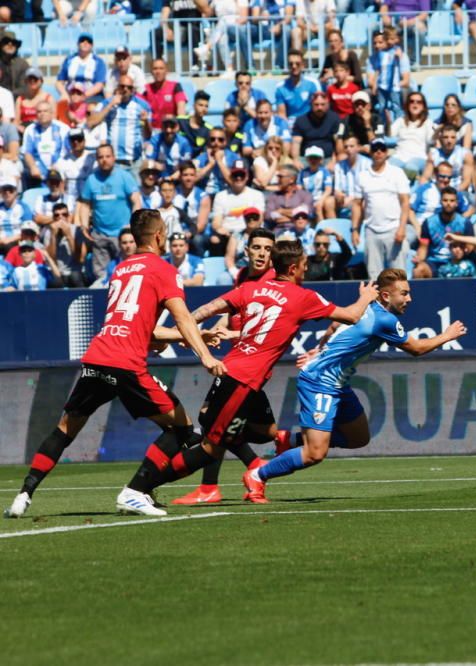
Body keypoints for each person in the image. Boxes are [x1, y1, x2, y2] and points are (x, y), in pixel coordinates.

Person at [3, 209, 226, 519]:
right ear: (159, 236)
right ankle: (135, 492)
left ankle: (23, 495)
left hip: (97, 357)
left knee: (65, 430)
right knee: (181, 427)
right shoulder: (164, 270)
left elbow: (139, 327)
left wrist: (187, 336)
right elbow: (182, 316)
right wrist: (206, 356)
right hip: (126, 364)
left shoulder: (120, 270)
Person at [126, 241, 381, 507]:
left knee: (262, 432)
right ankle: (144, 486)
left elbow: (207, 310)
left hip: (242, 378)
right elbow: (351, 316)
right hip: (241, 380)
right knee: (211, 447)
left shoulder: (249, 288)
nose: (307, 268)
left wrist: (186, 331)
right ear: (293, 268)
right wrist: (366, 296)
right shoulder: (304, 297)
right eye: (304, 265)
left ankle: (265, 448)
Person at [242, 268, 466, 501]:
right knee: (315, 453)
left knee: (358, 438)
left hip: (338, 384)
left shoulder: (363, 306)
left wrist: (320, 350)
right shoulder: (385, 319)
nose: (409, 299)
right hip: (319, 382)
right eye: (404, 293)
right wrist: (447, 335)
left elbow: (333, 326)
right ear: (387, 296)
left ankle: (289, 440)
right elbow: (417, 349)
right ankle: (258, 475)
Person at [170, 227, 287, 505]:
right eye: (256, 248)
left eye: (267, 249)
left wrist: (234, 335)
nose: (261, 254)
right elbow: (233, 313)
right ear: (246, 251)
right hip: (240, 366)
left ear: (274, 255)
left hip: (249, 369)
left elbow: (270, 329)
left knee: (212, 419)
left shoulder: (274, 282)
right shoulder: (243, 278)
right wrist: (205, 334)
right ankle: (268, 453)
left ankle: (215, 484)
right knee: (256, 430)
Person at [78, 144, 142, 284]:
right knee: (102, 278)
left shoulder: (124, 176)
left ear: (114, 158)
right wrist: (84, 225)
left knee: (127, 274)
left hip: (123, 235)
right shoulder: (91, 180)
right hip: (100, 235)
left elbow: (136, 201)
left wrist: (132, 226)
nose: (104, 160)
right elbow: (85, 205)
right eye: (100, 157)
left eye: (107, 156)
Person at [353, 138, 411, 278]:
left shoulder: (397, 173)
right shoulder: (362, 176)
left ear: (386, 152)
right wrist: (355, 229)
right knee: (374, 276)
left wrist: (402, 228)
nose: (378, 152)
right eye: (375, 149)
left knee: (398, 275)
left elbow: (405, 203)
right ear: (370, 152)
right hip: (372, 230)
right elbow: (357, 204)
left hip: (394, 229)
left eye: (382, 149)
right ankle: (376, 301)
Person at [88, 75, 152, 174]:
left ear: (133, 90)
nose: (125, 90)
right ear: (117, 87)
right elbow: (91, 122)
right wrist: (110, 106)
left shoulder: (142, 106)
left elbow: (148, 136)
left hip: (134, 162)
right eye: (122, 86)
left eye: (129, 87)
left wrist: (146, 121)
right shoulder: (107, 103)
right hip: (114, 162)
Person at [413, 186, 475, 278]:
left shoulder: (465, 223)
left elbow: (470, 248)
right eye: (445, 200)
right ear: (440, 202)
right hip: (434, 262)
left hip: (457, 262)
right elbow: (423, 247)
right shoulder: (429, 223)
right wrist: (419, 259)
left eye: (452, 201)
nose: (448, 203)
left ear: (457, 203)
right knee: (419, 270)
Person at [209, 159, 266, 256]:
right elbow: (216, 222)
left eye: (241, 175)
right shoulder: (221, 196)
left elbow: (259, 219)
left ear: (247, 176)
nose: (238, 178)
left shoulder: (257, 195)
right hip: (228, 234)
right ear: (230, 177)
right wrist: (222, 230)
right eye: (235, 175)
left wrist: (245, 233)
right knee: (214, 239)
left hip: (249, 233)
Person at [291, 92, 343, 166]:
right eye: (316, 105)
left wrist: (334, 159)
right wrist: (296, 160)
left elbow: (337, 141)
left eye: (322, 104)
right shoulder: (301, 120)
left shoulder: (334, 118)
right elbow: (296, 143)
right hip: (307, 159)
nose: (319, 108)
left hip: (327, 158)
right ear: (311, 105)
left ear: (327, 105)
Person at [55, 33, 107, 101]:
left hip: (91, 98)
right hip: (71, 96)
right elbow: (59, 82)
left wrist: (83, 96)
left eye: (89, 42)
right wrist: (64, 94)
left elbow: (100, 85)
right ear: (78, 43)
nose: (85, 43)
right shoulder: (69, 60)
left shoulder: (98, 62)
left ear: (92, 45)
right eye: (82, 41)